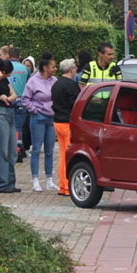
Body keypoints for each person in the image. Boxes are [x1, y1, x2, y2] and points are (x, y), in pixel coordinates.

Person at [21, 53, 58, 192]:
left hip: (51, 119)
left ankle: (49, 180)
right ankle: (35, 180)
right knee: (36, 150)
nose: (55, 69)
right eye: (52, 66)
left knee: (49, 151)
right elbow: (25, 99)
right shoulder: (33, 80)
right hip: (38, 118)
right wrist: (35, 110)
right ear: (45, 67)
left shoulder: (54, 80)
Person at [0, 57, 20, 192]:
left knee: (12, 151)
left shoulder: (4, 80)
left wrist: (7, 98)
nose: (8, 76)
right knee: (2, 150)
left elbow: (14, 94)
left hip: (9, 114)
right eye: (7, 73)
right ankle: (1, 184)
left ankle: (10, 183)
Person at [51, 59, 81, 195]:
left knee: (62, 155)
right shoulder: (71, 86)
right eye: (74, 68)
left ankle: (62, 185)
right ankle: (68, 185)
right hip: (68, 123)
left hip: (57, 122)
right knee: (70, 156)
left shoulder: (55, 84)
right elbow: (75, 105)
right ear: (71, 70)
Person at [6, 46, 30, 162]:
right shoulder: (25, 69)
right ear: (19, 56)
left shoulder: (4, 67)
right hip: (21, 100)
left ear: (8, 56)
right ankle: (18, 150)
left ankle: (8, 150)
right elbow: (28, 84)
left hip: (7, 100)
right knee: (18, 128)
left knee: (7, 126)